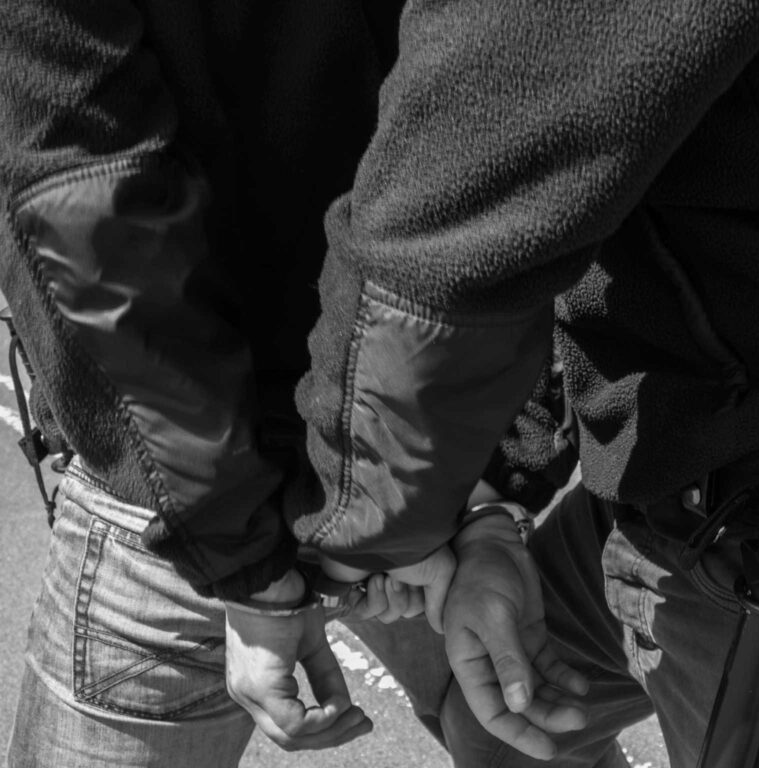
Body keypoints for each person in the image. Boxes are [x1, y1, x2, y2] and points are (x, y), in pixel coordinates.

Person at [242, 1, 759, 766]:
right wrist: (488, 505)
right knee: (500, 727)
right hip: (683, 473)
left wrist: (318, 564)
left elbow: (454, 218)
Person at [0, 2, 533, 765]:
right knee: (527, 715)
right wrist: (482, 493)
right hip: (424, 451)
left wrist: (248, 570)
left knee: (523, 713)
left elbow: (83, 198)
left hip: (188, 499)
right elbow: (532, 125)